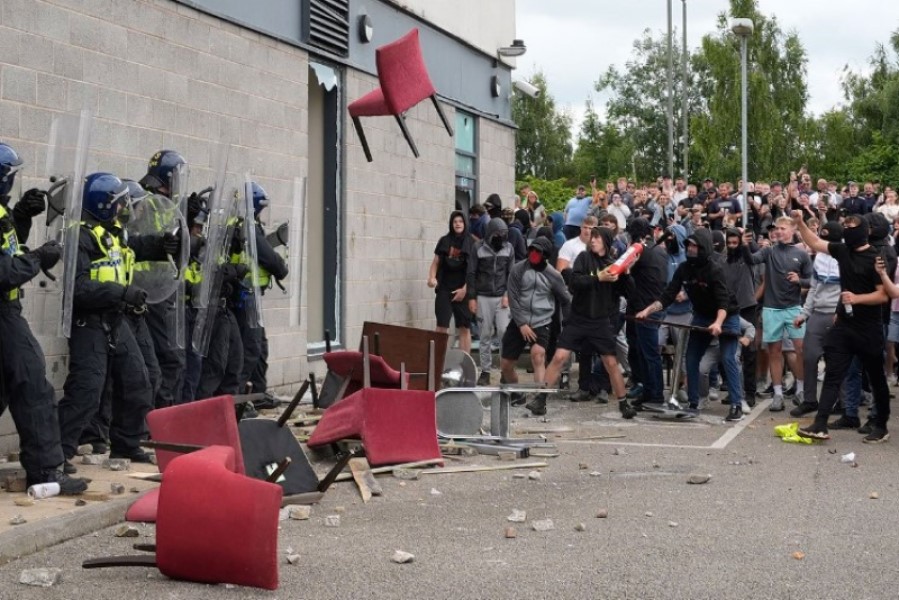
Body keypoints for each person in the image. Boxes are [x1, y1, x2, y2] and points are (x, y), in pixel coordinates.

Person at [57, 172, 180, 472]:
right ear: (103, 204)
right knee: (87, 389)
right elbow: (79, 288)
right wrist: (122, 292)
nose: (124, 208)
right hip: (89, 322)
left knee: (139, 380)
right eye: (119, 203)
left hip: (115, 318)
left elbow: (135, 245)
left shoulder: (113, 233)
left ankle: (126, 443)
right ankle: (57, 453)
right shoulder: (80, 237)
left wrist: (162, 244)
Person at [0, 143, 88, 494]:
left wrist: (21, 216)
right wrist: (39, 257)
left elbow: (7, 249)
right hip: (3, 313)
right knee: (34, 386)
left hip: (6, 311)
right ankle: (46, 472)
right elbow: (4, 271)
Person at [793, 211, 890, 442]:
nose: (847, 229)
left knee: (876, 378)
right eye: (845, 225)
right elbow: (815, 242)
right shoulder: (843, 250)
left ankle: (881, 425)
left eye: (852, 225)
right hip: (844, 326)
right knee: (833, 374)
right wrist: (799, 222)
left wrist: (856, 298)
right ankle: (820, 424)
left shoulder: (875, 258)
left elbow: (883, 295)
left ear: (864, 230)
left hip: (869, 329)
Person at [636, 228, 746, 421]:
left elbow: (724, 303)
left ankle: (736, 404)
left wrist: (718, 323)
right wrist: (647, 311)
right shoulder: (684, 269)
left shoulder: (715, 270)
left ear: (704, 248)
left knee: (728, 358)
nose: (690, 249)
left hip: (727, 316)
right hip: (701, 316)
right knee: (691, 358)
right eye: (689, 245)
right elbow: (668, 295)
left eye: (695, 246)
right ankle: (693, 403)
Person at [527, 227, 636, 419]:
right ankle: (540, 400)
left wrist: (626, 273)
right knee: (559, 357)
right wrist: (598, 278)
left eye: (597, 238)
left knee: (611, 362)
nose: (592, 240)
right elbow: (575, 283)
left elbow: (629, 293)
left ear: (606, 241)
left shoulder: (613, 265)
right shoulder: (583, 258)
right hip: (578, 319)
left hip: (601, 321)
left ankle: (623, 403)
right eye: (592, 237)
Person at [744, 216, 812, 411]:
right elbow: (751, 260)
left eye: (783, 228)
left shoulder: (802, 254)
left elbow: (812, 281)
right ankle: (778, 394)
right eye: (777, 229)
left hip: (794, 309)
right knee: (774, 352)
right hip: (771, 309)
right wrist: (745, 244)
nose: (779, 231)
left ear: (792, 231)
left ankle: (800, 390)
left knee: (800, 350)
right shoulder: (769, 251)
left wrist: (800, 280)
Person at [138, 150, 187, 408]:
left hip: (165, 289)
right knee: (169, 359)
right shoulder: (143, 202)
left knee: (170, 358)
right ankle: (161, 415)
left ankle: (166, 413)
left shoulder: (167, 204)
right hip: (148, 289)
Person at [233, 182, 289, 405]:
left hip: (252, 294)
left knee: (260, 346)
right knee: (250, 347)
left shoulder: (249, 225)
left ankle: (257, 393)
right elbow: (266, 256)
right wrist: (281, 268)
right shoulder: (245, 226)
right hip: (245, 294)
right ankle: (239, 400)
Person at [500, 237, 571, 401]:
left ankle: (539, 399)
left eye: (537, 251)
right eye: (531, 250)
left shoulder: (553, 275)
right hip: (519, 321)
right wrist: (521, 324)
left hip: (542, 321)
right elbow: (513, 298)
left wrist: (568, 324)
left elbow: (566, 300)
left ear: (545, 254)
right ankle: (517, 393)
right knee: (505, 364)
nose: (533, 254)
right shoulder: (518, 269)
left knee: (538, 355)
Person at [790, 221, 842, 418]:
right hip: (817, 314)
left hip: (837, 316)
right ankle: (810, 400)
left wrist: (842, 313)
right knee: (809, 357)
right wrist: (804, 314)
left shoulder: (845, 257)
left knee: (836, 361)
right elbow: (813, 288)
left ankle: (843, 402)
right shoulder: (819, 258)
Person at [624, 218, 668, 409]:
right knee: (646, 353)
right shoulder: (659, 250)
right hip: (655, 305)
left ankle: (655, 395)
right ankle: (650, 392)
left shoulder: (640, 250)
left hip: (644, 308)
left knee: (648, 354)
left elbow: (624, 272)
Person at [467, 218, 514, 385]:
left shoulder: (509, 248)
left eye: (503, 234)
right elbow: (471, 273)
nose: (501, 237)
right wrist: (472, 298)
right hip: (483, 296)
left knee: (504, 333)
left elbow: (511, 273)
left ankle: (505, 371)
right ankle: (485, 371)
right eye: (498, 234)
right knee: (484, 335)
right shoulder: (477, 247)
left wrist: (508, 295)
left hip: (502, 297)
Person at [428, 210, 473, 353]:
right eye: (455, 222)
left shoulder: (472, 242)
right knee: (441, 326)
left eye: (460, 221)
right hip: (445, 288)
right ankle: (437, 361)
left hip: (463, 289)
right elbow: (435, 262)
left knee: (464, 328)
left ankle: (464, 362)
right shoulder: (444, 241)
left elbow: (474, 271)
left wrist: (465, 290)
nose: (458, 224)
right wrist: (431, 277)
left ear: (465, 223)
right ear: (451, 224)